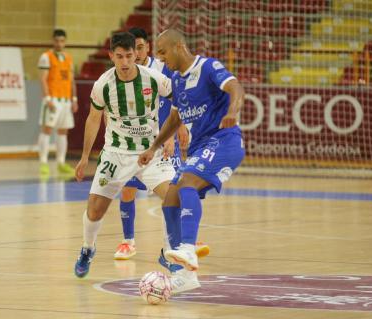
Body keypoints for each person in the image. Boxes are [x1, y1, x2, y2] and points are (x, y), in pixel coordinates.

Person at [138, 29, 246, 293]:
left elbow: (236, 87)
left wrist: (232, 112)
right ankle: (186, 277)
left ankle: (188, 248)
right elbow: (174, 120)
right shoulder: (175, 80)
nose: (161, 59)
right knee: (171, 199)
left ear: (178, 46)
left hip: (225, 140)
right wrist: (153, 146)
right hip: (199, 147)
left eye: (163, 52)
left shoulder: (207, 67)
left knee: (186, 184)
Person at [73, 32, 176, 279]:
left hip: (150, 153)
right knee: (95, 210)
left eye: (129, 56)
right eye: (119, 57)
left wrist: (175, 129)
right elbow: (94, 118)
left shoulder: (154, 78)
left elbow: (179, 98)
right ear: (112, 56)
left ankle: (169, 253)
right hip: (116, 155)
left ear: (136, 54)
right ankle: (88, 249)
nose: (125, 62)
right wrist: (85, 157)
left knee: (175, 197)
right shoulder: (103, 85)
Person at [113, 27, 210, 261]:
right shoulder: (122, 72)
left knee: (173, 191)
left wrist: (180, 128)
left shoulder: (162, 68)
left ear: (147, 47)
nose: (135, 53)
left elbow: (178, 98)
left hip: (162, 140)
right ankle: (128, 242)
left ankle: (183, 241)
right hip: (133, 142)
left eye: (139, 47)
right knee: (127, 190)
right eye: (131, 49)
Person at [37, 29, 78, 176]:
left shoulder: (68, 58)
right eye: (57, 40)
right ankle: (43, 162)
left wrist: (74, 99)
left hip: (66, 100)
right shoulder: (46, 57)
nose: (59, 43)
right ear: (53, 41)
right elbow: (43, 79)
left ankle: (61, 162)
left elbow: (71, 80)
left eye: (62, 41)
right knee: (47, 130)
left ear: (65, 41)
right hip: (52, 99)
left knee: (63, 131)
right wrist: (47, 98)